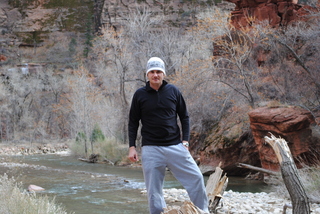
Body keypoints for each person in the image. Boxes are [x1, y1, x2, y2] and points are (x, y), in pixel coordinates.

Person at [128, 57, 209, 214]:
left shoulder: (173, 91)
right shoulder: (140, 95)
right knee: (153, 191)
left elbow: (184, 117)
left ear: (163, 73)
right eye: (152, 72)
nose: (155, 75)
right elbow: (133, 122)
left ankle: (203, 211)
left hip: (175, 146)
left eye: (158, 71)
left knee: (196, 177)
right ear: (147, 74)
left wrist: (185, 141)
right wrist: (132, 147)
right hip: (151, 148)